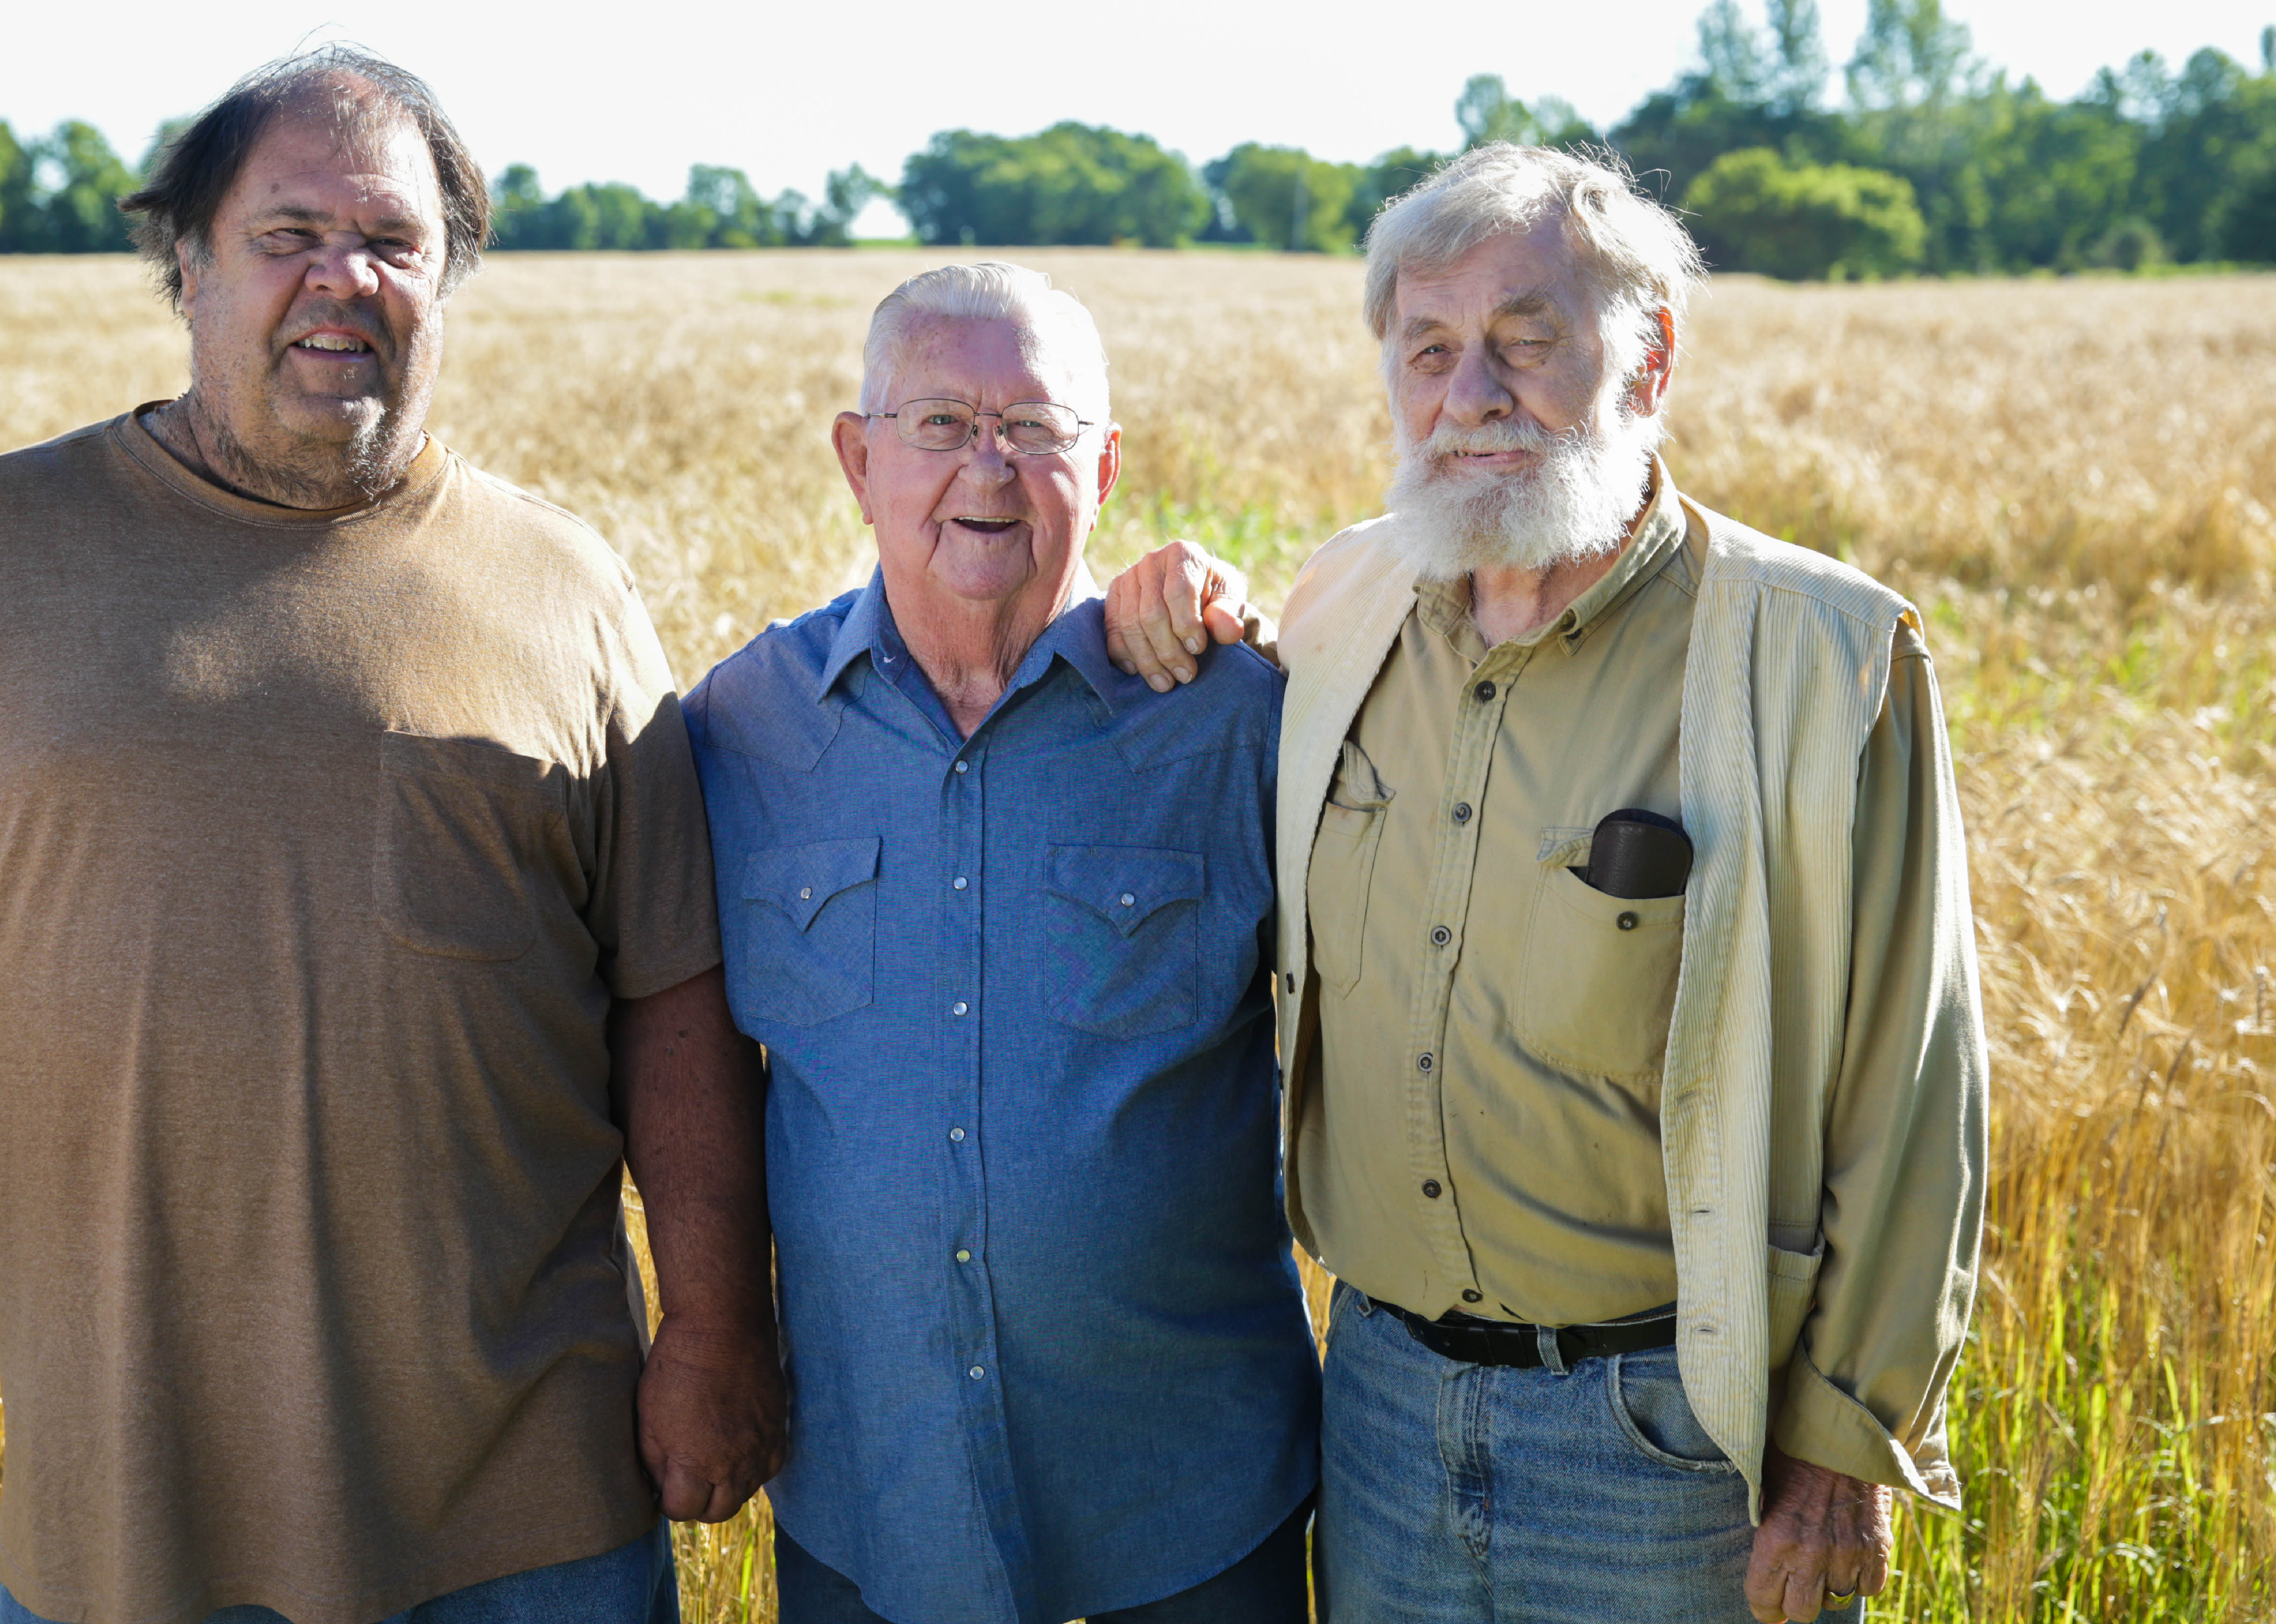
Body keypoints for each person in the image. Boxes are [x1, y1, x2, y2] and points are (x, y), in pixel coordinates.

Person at [0, 49, 783, 1624]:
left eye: (396, 243)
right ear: (186, 265)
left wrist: (716, 1331)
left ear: (447, 281)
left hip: (532, 1521)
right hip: (126, 1535)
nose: (345, 279)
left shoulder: (569, 589)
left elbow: (672, 995)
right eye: (287, 235)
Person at [1106, 144, 1986, 1624]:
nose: (1472, 395)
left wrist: (1837, 1457)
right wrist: (1167, 596)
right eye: (1430, 350)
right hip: (1377, 1404)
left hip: (1672, 1452)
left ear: (1647, 363)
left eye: (1528, 341)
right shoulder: (1337, 608)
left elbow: (1914, 1086)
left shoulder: (1826, 657)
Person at [683, 263, 1321, 1624]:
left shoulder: (1233, 714)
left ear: (1104, 462)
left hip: (1191, 1508)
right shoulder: (741, 730)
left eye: (1036, 428)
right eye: (941, 425)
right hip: (873, 1507)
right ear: (858, 460)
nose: (991, 467)